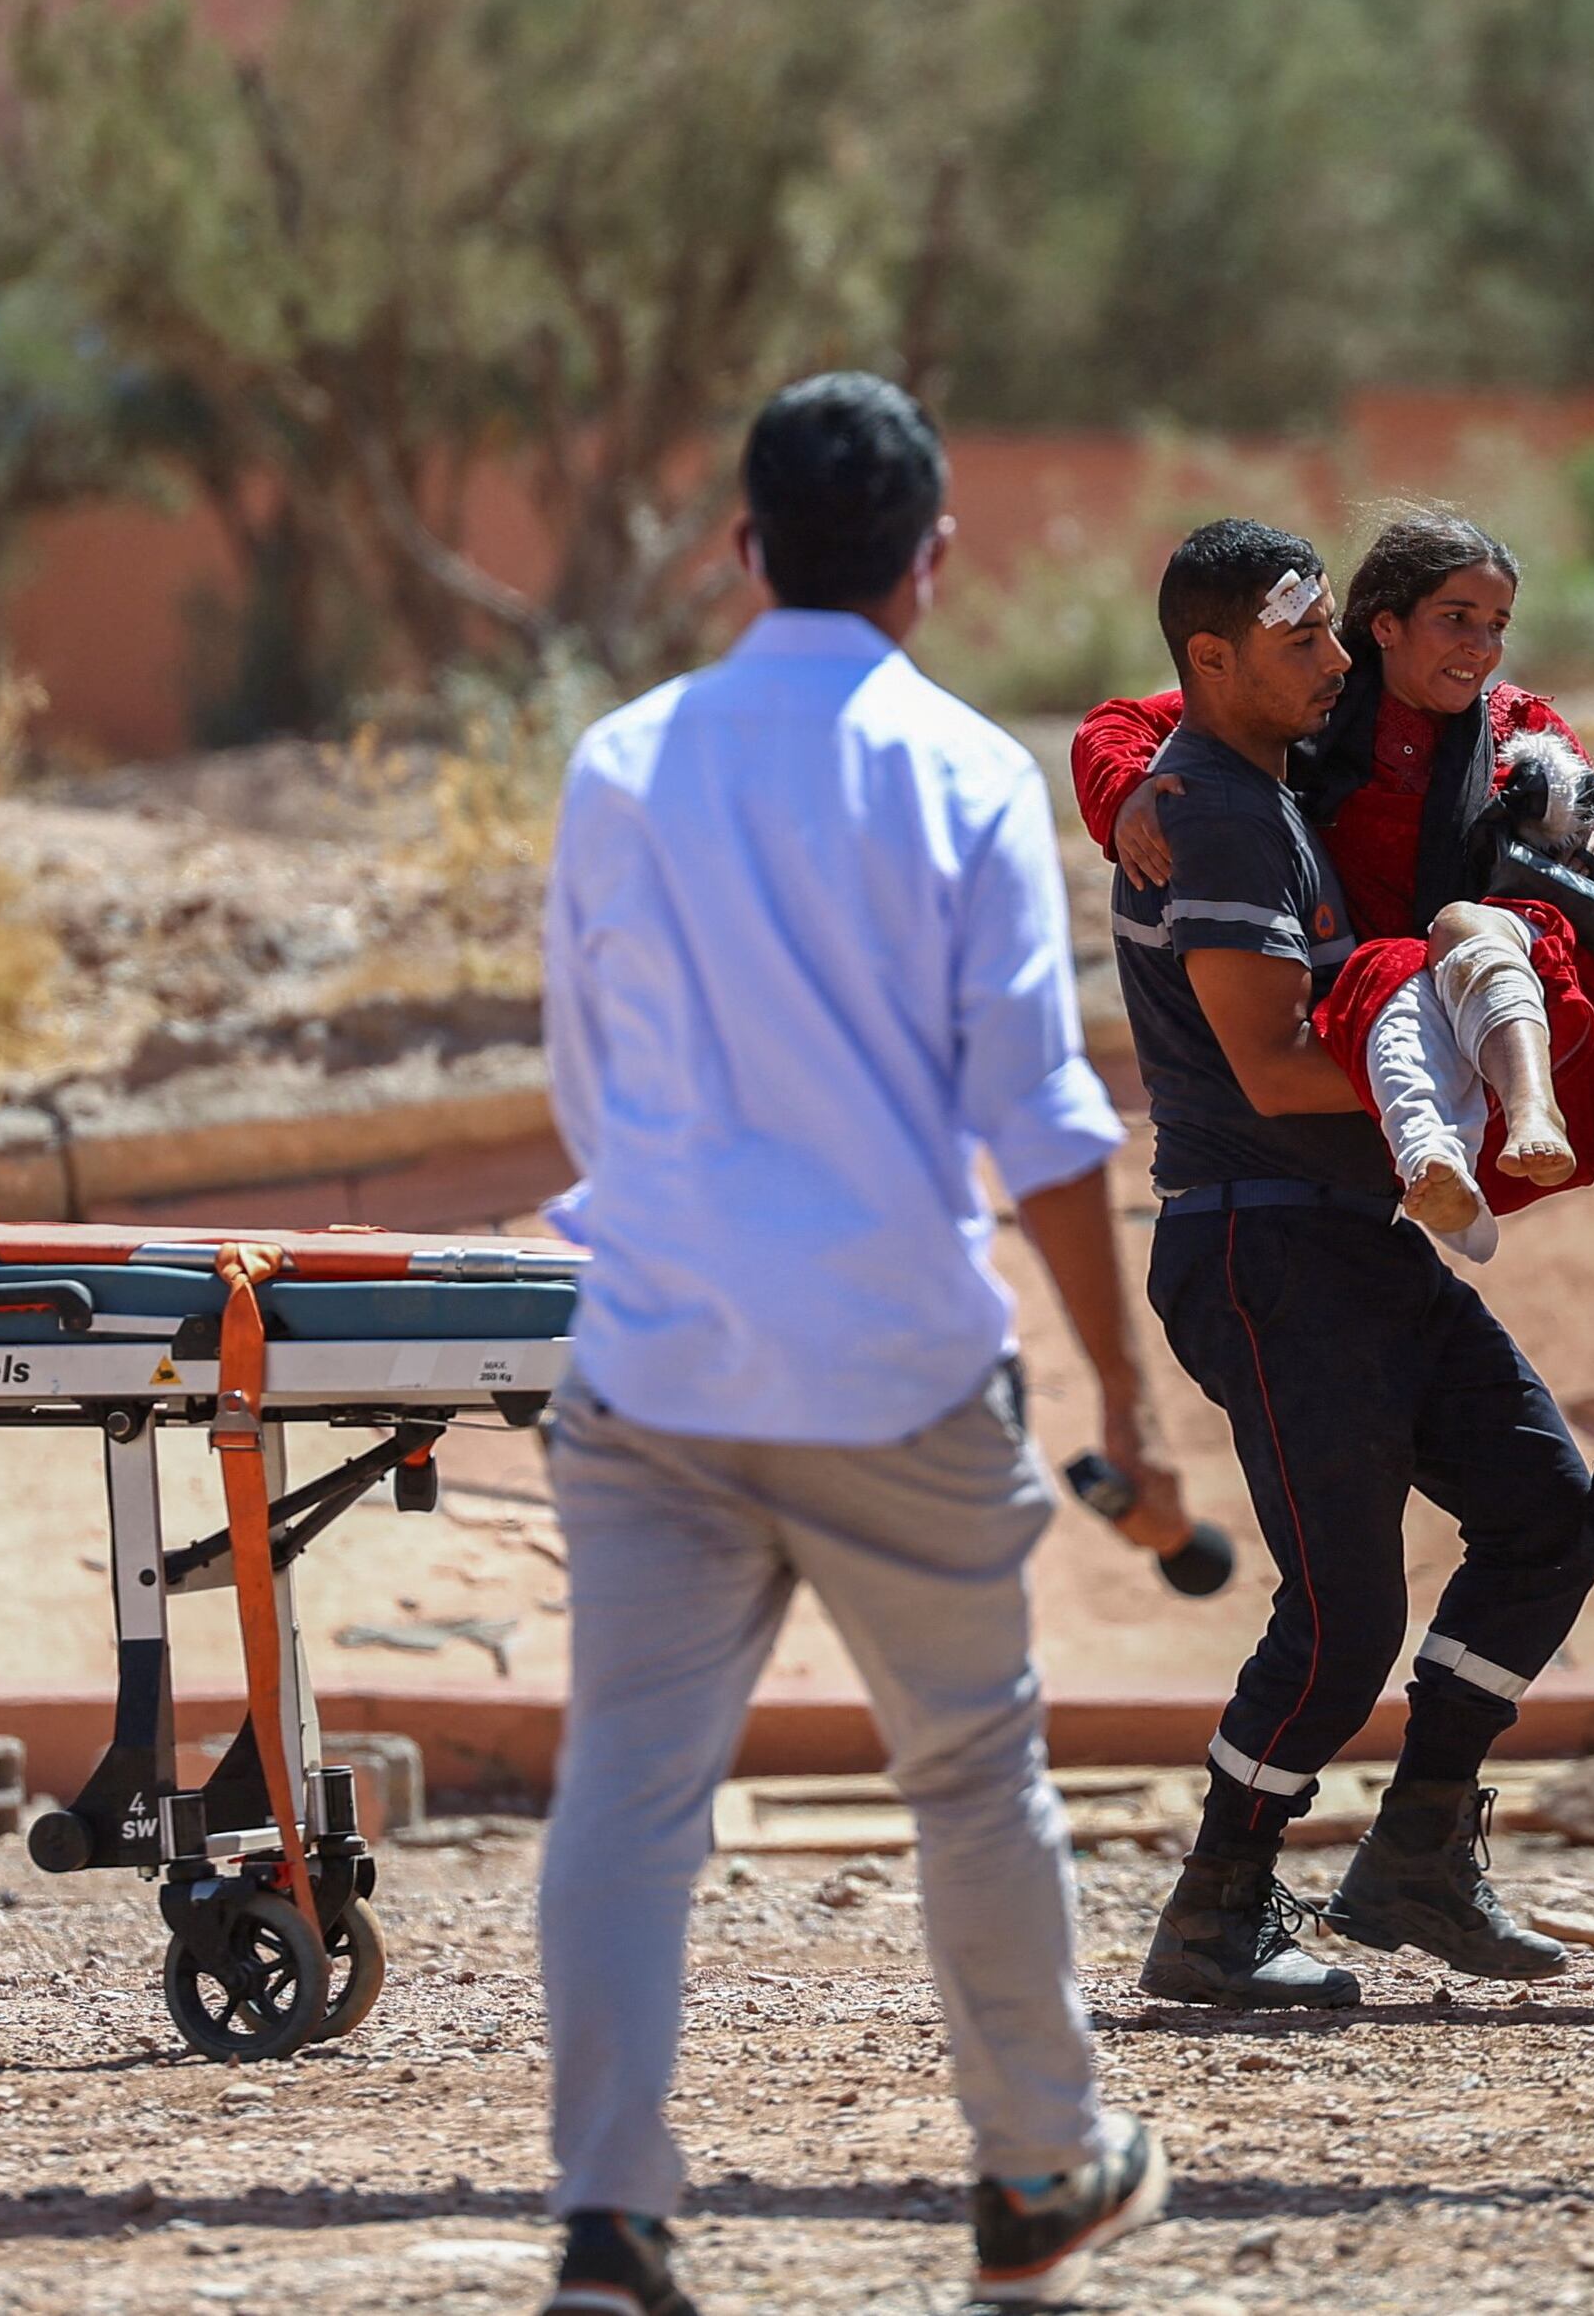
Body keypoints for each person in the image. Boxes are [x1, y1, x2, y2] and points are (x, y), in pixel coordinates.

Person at [534, 374, 1182, 2316]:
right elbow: (1045, 1122)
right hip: (899, 1368)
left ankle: (608, 2220)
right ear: (934, 559)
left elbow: (586, 1076)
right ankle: (1034, 2167)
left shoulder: (621, 760)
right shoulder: (968, 771)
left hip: (653, 1359)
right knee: (975, 1772)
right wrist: (1127, 1401)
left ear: (741, 545)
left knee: (627, 1791)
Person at [1105, 518, 1594, 2009]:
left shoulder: (1272, 793)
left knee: (1543, 1511)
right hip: (1258, 1241)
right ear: (1211, 660)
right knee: (1341, 1615)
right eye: (1301, 638)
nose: (1334, 662)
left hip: (1353, 1241)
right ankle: (1217, 1906)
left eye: (1334, 631)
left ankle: (1419, 1858)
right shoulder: (1219, 810)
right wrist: (1453, 1089)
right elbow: (1267, 1061)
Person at [1076, 506, 1594, 1234]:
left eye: (1498, 625)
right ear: (1385, 625)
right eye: (1456, 618)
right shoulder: (1309, 700)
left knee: (1470, 928)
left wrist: (1583, 856)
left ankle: (1531, 1103)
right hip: (1368, 1023)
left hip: (1519, 1008)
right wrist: (1125, 791)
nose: (1482, 647)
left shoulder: (1523, 733)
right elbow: (1125, 722)